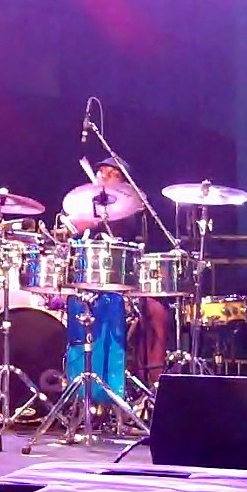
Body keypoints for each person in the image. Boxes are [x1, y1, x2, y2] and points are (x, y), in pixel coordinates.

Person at [84, 157, 170, 386]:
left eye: (113, 173)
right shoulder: (80, 204)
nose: (105, 176)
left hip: (123, 286)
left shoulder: (131, 211)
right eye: (101, 171)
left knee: (157, 313)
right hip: (86, 283)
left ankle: (153, 386)